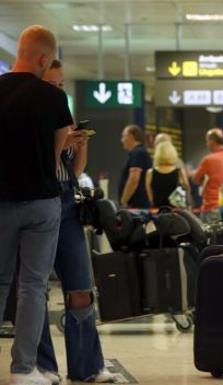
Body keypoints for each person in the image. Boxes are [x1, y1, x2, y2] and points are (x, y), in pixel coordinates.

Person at [35, 59, 122, 384]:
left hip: (68, 202)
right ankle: (44, 366)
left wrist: (80, 146)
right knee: (36, 291)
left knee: (81, 287)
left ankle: (86, 366)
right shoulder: (31, 117)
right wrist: (62, 145)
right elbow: (37, 164)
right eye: (53, 84)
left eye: (61, 85)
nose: (58, 90)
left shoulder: (63, 116)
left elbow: (72, 169)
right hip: (39, 201)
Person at [0, 25, 71, 385]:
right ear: (44, 58)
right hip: (41, 203)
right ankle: (23, 370)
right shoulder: (54, 99)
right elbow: (56, 156)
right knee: (32, 286)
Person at [193, 128, 223, 223]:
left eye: (207, 141)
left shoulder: (208, 159)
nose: (206, 144)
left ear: (212, 141)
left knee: (210, 237)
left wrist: (202, 178)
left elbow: (195, 179)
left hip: (211, 207)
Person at [145, 141, 191, 209]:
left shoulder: (150, 172)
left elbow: (150, 198)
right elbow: (187, 188)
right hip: (176, 211)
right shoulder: (179, 172)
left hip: (158, 211)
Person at [119, 124, 152, 209]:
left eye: (123, 137)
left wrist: (123, 201)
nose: (122, 140)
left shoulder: (138, 153)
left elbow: (134, 179)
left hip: (137, 206)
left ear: (131, 136)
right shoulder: (138, 153)